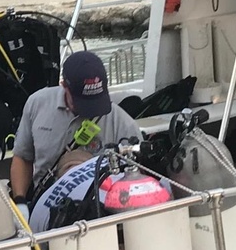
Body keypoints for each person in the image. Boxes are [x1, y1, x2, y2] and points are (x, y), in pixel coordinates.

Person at [10, 51, 141, 212]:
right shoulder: (37, 103)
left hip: (101, 208)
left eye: (95, 101)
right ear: (64, 86)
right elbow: (22, 157)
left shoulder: (123, 123)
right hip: (46, 204)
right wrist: (20, 202)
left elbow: (137, 177)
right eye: (83, 102)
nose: (90, 109)